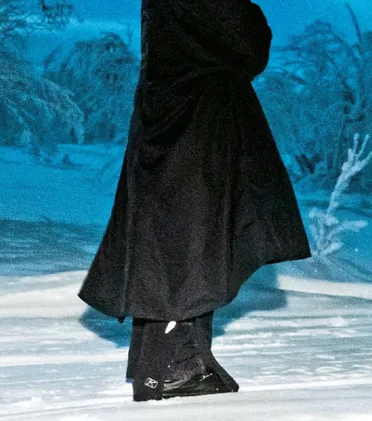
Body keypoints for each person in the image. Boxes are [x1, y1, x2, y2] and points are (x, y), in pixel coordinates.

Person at [78, 0, 312, 402]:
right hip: (196, 121)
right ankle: (173, 365)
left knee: (175, 236)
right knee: (190, 237)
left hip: (170, 114)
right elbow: (245, 40)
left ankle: (166, 363)